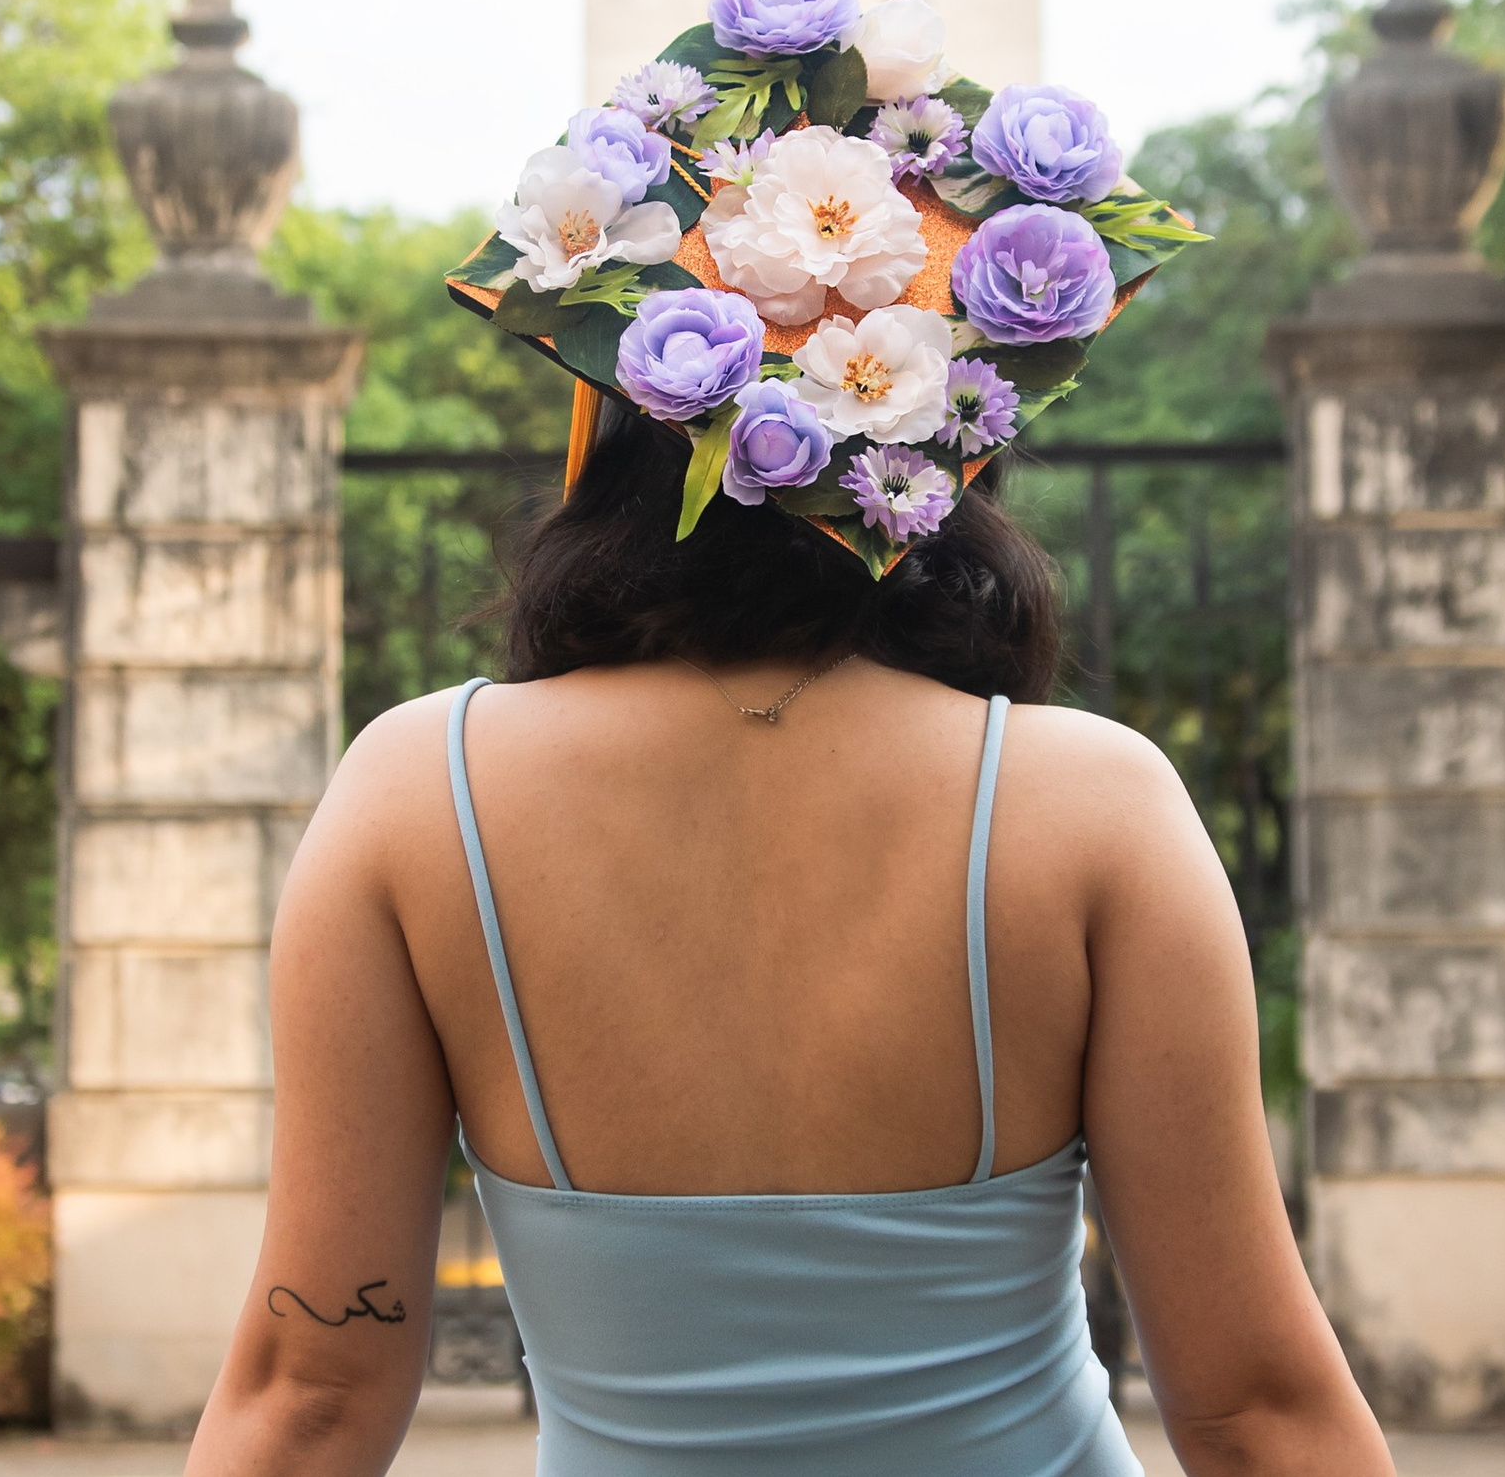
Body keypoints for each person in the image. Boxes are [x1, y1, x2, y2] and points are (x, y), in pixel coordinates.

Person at [183, 406, 1393, 1477]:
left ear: (613, 411)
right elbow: (1256, 1414)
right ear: (948, 436)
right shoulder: (1091, 804)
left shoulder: (419, 793)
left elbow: (309, 1398)